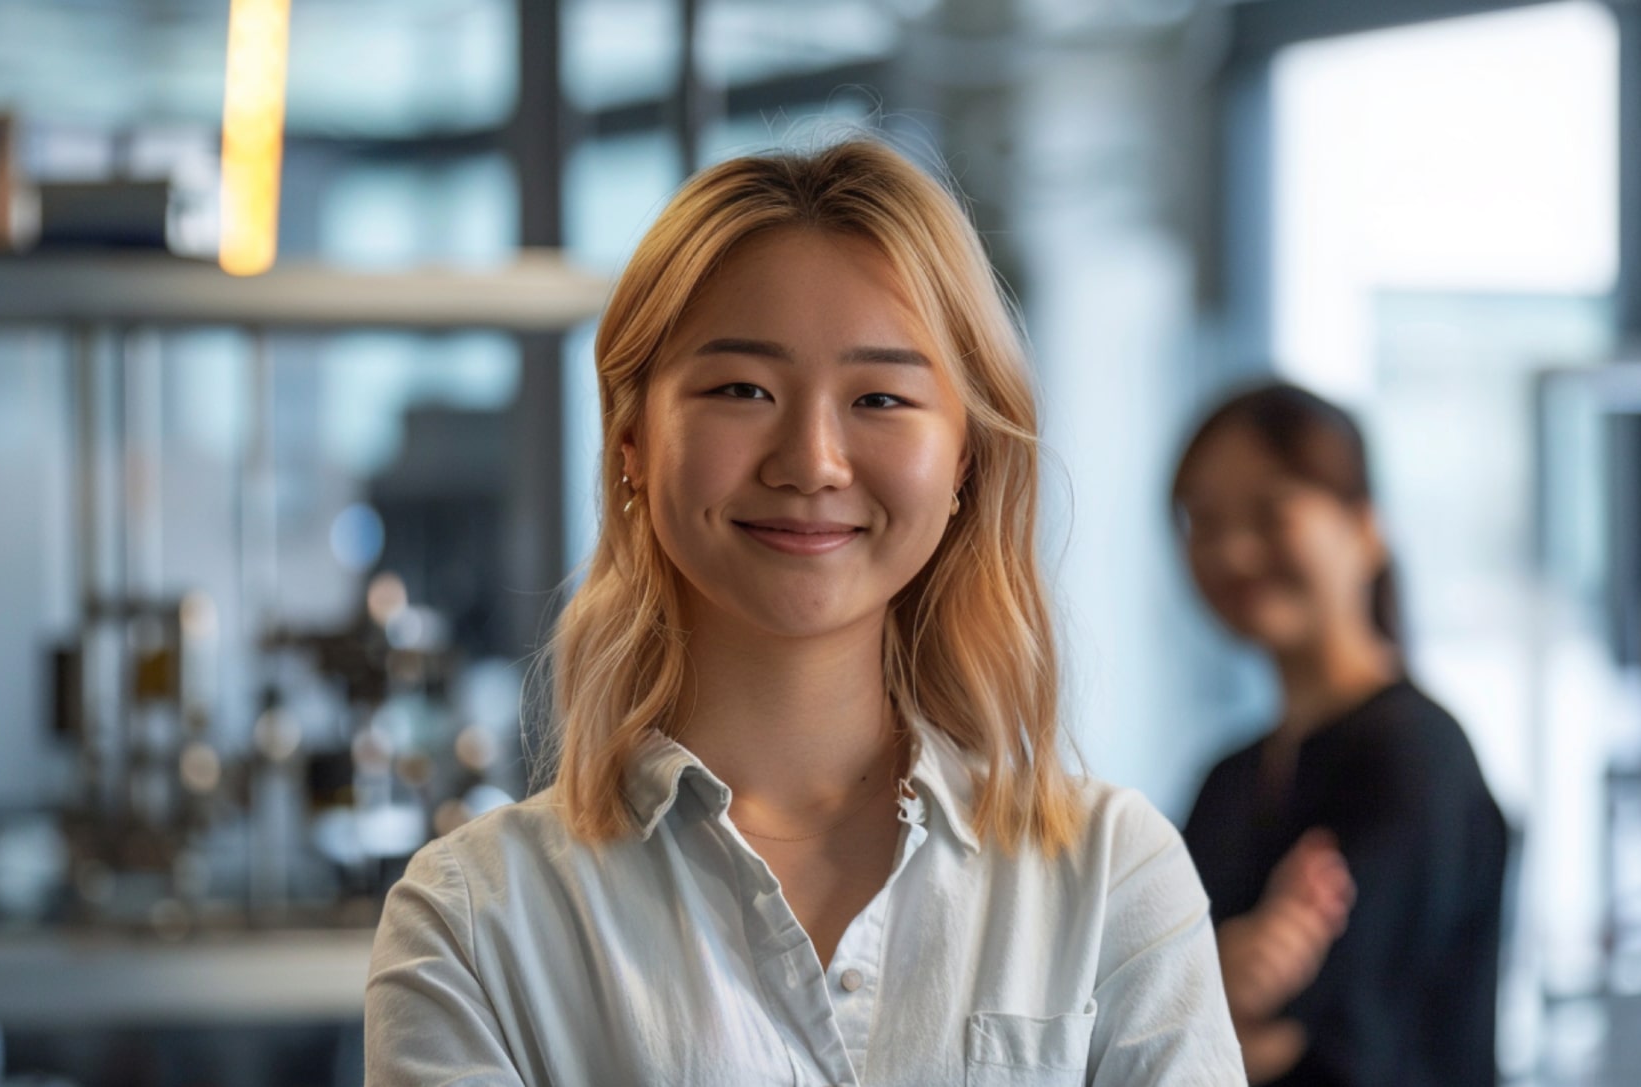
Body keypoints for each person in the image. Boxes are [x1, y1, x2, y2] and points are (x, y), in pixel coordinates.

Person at [366, 140, 1246, 1085]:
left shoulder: (1111, 878)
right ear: (632, 439)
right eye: (742, 389)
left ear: (963, 462)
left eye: (880, 396)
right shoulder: (474, 919)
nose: (812, 461)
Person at [1173, 382, 1507, 1087]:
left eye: (1269, 513)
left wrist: (1201, 1003)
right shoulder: (1228, 776)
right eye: (1202, 522)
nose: (1232, 552)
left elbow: (1324, 1043)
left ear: (1363, 527)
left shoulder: (1415, 754)